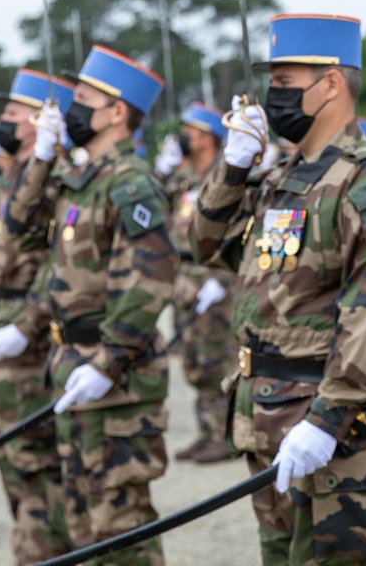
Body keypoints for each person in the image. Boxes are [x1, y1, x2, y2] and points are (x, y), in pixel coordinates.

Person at [192, 13, 366, 565]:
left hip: (335, 434)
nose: (272, 99)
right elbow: (205, 246)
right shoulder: (278, 179)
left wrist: (326, 419)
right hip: (267, 421)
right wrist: (232, 168)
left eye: (284, 84)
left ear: (332, 84)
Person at [8, 45, 176, 565]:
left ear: (116, 112)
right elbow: (19, 227)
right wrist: (41, 157)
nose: (69, 111)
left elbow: (149, 281)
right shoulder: (80, 181)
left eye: (82, 100)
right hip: (74, 366)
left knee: (120, 525)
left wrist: (109, 359)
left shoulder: (130, 184)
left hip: (115, 377)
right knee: (83, 522)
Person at [0, 68, 76, 562]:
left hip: (32, 327)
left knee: (35, 452)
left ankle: (44, 550)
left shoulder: (60, 175)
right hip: (1, 320)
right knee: (10, 447)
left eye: (11, 113)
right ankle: (29, 545)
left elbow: (58, 260)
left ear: (38, 120)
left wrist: (27, 323)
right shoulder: (10, 174)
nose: (2, 122)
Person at [158, 102, 236, 464]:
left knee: (216, 360)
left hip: (213, 277)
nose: (183, 137)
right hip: (185, 277)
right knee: (192, 361)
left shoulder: (223, 177)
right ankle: (207, 430)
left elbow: (236, 232)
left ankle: (226, 434)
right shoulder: (186, 177)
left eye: (189, 131)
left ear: (206, 138)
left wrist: (220, 278)